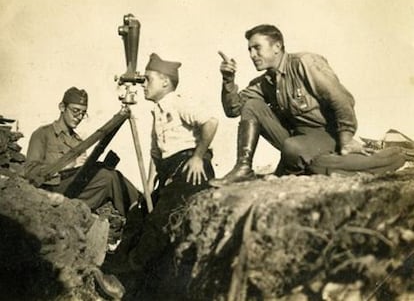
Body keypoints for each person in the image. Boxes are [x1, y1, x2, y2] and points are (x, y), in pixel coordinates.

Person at [210, 24, 405, 187]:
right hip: (297, 138)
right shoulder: (265, 81)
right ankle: (244, 168)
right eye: (249, 50)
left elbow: (341, 98)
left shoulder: (305, 63)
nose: (252, 55)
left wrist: (346, 138)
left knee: (295, 149)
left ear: (277, 47)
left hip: (326, 133)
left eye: (257, 48)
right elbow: (234, 110)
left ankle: (380, 158)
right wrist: (228, 80)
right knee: (252, 106)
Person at [123, 53, 218, 276]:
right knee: (139, 214)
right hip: (171, 172)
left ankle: (130, 273)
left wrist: (198, 157)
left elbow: (210, 122)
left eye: (148, 79)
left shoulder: (178, 102)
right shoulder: (156, 112)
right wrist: (148, 187)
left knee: (160, 219)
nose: (143, 85)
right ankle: (116, 267)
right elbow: (156, 156)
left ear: (165, 82)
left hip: (191, 170)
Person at [24, 86, 142, 217]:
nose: (79, 117)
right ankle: (140, 213)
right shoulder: (43, 134)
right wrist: (69, 165)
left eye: (83, 113)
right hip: (50, 190)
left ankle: (139, 210)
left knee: (111, 174)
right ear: (62, 107)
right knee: (107, 176)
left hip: (74, 192)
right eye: (75, 111)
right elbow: (30, 172)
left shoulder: (78, 142)